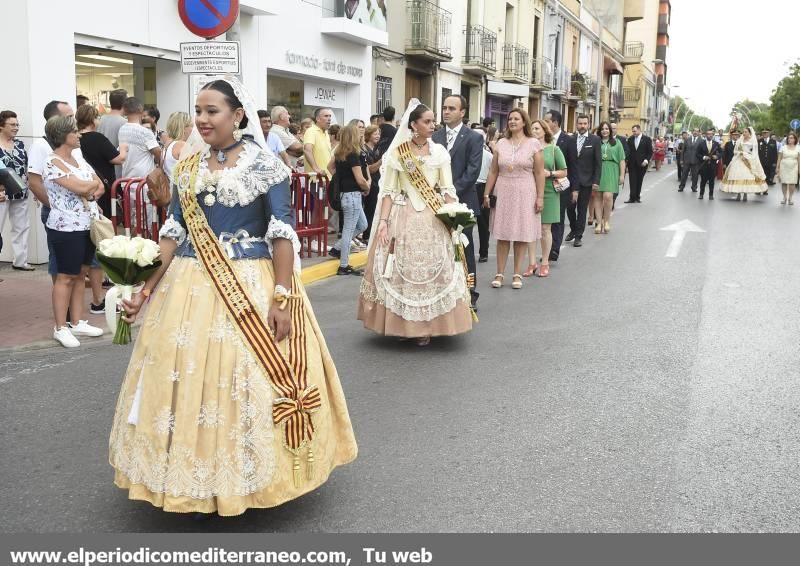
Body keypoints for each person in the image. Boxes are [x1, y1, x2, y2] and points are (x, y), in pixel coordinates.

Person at [109, 77, 357, 516]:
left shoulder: (267, 167)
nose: (202, 120)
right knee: (187, 380)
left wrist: (282, 298)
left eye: (212, 111)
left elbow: (282, 233)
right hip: (188, 284)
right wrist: (145, 290)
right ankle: (189, 479)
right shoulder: (185, 167)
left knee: (244, 381)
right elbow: (173, 233)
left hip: (249, 281)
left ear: (237, 115)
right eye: (198, 111)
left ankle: (249, 478)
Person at [358, 101, 472, 345]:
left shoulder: (439, 152)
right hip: (403, 214)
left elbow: (447, 188)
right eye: (427, 121)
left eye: (433, 121)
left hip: (432, 216)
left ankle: (427, 327)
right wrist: (383, 222)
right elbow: (388, 192)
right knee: (400, 272)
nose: (433, 125)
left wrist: (454, 216)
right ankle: (403, 325)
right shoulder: (399, 153)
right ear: (414, 125)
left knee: (433, 272)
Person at [42, 115, 106, 348]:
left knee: (81, 274)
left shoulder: (78, 158)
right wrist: (88, 187)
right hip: (65, 227)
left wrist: (88, 188)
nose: (79, 135)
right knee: (65, 276)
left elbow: (99, 184)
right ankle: (60, 327)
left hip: (86, 223)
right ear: (62, 136)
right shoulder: (51, 162)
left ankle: (77, 321)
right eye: (74, 132)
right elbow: (83, 186)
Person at [483, 108, 544, 289]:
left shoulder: (533, 144)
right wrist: (487, 193)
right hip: (503, 189)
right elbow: (493, 171)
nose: (512, 122)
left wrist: (540, 197)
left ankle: (517, 273)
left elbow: (539, 173)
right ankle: (499, 273)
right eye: (510, 119)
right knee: (502, 234)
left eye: (516, 119)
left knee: (521, 235)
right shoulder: (501, 143)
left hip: (525, 191)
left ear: (524, 122)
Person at [432, 95, 483, 310]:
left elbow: (473, 171)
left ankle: (470, 292)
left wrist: (449, 194)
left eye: (451, 108)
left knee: (464, 249)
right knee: (441, 249)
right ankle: (444, 291)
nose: (446, 111)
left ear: (462, 112)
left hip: (463, 202)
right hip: (436, 203)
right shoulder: (434, 136)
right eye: (444, 108)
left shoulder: (473, 137)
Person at [27, 101, 76, 283]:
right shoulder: (41, 145)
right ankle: (61, 299)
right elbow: (34, 182)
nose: (74, 120)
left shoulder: (71, 145)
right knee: (58, 259)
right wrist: (54, 206)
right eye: (69, 117)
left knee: (75, 262)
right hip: (55, 212)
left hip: (75, 213)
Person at [328, 124, 369, 275]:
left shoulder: (339, 153)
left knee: (363, 224)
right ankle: (343, 265)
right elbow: (360, 179)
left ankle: (337, 248)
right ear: (353, 136)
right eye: (358, 133)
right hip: (353, 195)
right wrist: (367, 187)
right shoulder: (353, 155)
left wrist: (341, 179)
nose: (360, 135)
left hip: (346, 195)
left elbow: (329, 167)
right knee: (348, 230)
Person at [76, 104, 128, 218]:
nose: (99, 120)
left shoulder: (76, 138)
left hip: (84, 185)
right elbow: (119, 159)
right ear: (92, 120)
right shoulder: (98, 138)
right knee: (105, 221)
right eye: (97, 117)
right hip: (103, 186)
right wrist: (123, 148)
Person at [530, 119, 566, 278]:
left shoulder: (554, 149)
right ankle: (532, 263)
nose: (534, 131)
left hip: (550, 191)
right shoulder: (528, 149)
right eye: (532, 128)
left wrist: (550, 173)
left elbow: (564, 172)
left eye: (537, 128)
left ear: (545, 131)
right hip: (529, 190)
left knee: (545, 229)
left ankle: (545, 262)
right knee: (531, 229)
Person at [0, 110, 34, 271]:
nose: (16, 127)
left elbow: (26, 167)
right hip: (1, 194)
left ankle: (20, 261)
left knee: (21, 227)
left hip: (20, 191)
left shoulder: (20, 144)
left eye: (17, 124)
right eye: (12, 125)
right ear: (1, 126)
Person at [544, 110, 576, 261]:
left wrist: (575, 189)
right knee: (546, 221)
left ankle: (554, 249)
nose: (544, 124)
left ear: (555, 123)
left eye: (547, 121)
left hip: (561, 186)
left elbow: (573, 166)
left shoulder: (568, 140)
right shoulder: (541, 140)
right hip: (544, 186)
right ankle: (546, 250)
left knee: (559, 218)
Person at [566, 115, 601, 248]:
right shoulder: (571, 139)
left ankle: (578, 236)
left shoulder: (595, 140)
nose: (582, 126)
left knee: (581, 209)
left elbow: (598, 163)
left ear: (589, 124)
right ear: (576, 124)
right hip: (570, 181)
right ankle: (574, 229)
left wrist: (596, 181)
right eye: (580, 123)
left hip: (586, 181)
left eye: (585, 123)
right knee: (569, 208)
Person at [593, 122, 626, 234]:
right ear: (599, 131)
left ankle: (606, 221)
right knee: (597, 196)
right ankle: (598, 222)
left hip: (612, 170)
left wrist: (622, 175)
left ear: (610, 131)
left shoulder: (617, 143)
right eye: (602, 129)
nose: (605, 131)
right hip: (598, 169)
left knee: (608, 196)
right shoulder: (596, 142)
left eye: (607, 129)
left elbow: (622, 160)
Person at [119, 97, 162, 179]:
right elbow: (158, 152)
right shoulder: (145, 132)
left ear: (124, 111)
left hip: (126, 179)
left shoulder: (122, 129)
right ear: (140, 109)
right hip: (143, 182)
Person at [720, 127, 767, 201]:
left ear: (749, 133)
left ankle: (745, 193)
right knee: (737, 175)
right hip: (738, 159)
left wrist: (750, 158)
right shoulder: (739, 140)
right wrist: (740, 153)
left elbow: (754, 153)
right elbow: (735, 151)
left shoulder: (753, 141)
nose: (744, 133)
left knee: (746, 176)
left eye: (745, 132)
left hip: (748, 159)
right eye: (743, 132)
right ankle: (738, 193)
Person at [97, 88, 127, 177]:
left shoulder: (100, 120)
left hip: (101, 169)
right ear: (124, 104)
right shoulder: (124, 123)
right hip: (118, 169)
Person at [475, 132, 493, 263]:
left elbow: (493, 174)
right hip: (470, 187)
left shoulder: (488, 156)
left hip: (483, 187)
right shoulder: (467, 154)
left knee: (483, 222)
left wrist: (489, 193)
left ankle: (484, 252)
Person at [363, 124, 382, 242]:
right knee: (369, 210)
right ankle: (367, 235)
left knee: (374, 209)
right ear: (368, 135)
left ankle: (370, 233)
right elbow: (369, 168)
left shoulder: (376, 149)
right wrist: (381, 161)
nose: (378, 136)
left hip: (377, 182)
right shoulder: (365, 150)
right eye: (375, 133)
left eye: (379, 133)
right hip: (370, 184)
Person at [162, 111, 193, 182]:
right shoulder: (182, 146)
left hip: (171, 188)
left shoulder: (168, 144)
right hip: (180, 190)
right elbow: (191, 173)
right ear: (184, 128)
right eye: (191, 126)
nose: (193, 129)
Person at [625, 125, 652, 203]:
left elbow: (650, 151)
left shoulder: (647, 139)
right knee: (632, 180)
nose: (633, 133)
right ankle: (632, 197)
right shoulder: (630, 139)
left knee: (639, 180)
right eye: (632, 131)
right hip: (632, 164)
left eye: (635, 131)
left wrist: (646, 160)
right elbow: (628, 152)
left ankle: (637, 197)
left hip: (642, 164)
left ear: (639, 130)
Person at [695, 128, 721, 200]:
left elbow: (721, 152)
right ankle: (701, 194)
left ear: (713, 135)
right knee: (703, 180)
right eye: (708, 134)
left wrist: (717, 156)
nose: (709, 135)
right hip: (704, 165)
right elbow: (697, 154)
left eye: (711, 134)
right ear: (706, 135)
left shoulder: (716, 144)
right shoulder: (701, 144)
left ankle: (711, 195)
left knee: (712, 181)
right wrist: (703, 157)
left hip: (713, 165)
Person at [776, 131, 800, 205]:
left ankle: (790, 198)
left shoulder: (798, 148)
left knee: (792, 183)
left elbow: (799, 159)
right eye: (789, 138)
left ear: (795, 139)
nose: (790, 139)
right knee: (784, 182)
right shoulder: (783, 147)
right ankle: (784, 197)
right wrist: (777, 167)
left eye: (792, 138)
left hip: (794, 166)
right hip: (784, 166)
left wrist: (799, 169)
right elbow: (779, 158)